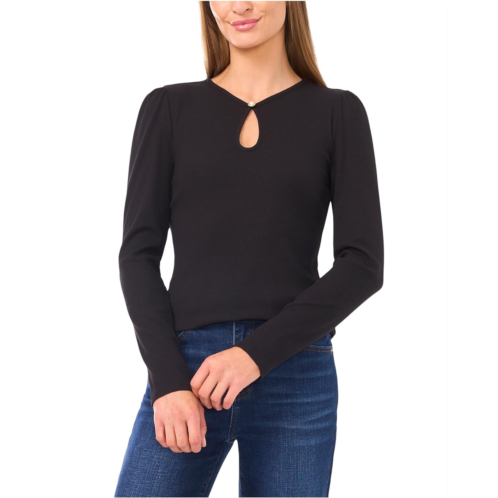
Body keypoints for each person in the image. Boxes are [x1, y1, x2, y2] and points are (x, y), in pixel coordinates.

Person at [115, 2, 384, 497]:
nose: (238, 5)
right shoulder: (168, 108)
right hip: (187, 369)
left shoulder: (338, 112)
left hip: (296, 370)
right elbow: (137, 255)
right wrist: (168, 380)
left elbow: (362, 264)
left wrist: (252, 356)